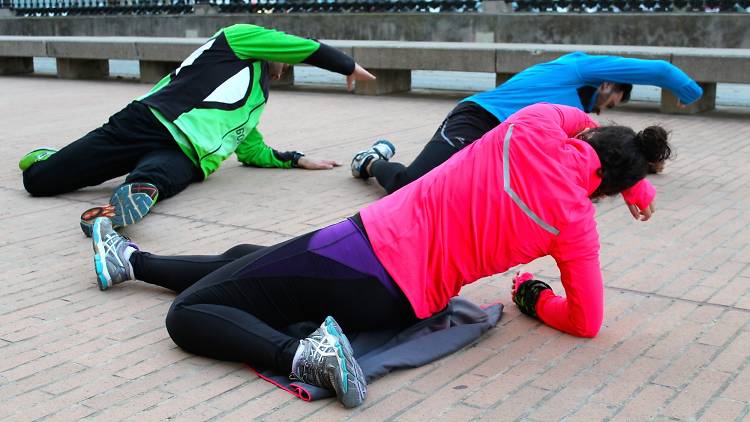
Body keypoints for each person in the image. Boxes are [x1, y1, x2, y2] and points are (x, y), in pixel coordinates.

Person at [88, 103, 672, 408]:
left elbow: (584, 123)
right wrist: (535, 295)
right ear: (609, 191)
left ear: (591, 141)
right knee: (251, 256)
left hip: (359, 249)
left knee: (189, 314)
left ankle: (302, 357)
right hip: (403, 304)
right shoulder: (576, 227)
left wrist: (629, 172)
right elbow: (588, 323)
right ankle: (130, 262)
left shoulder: (535, 126)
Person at [19, 23, 375, 237]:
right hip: (147, 121)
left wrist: (297, 159)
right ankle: (54, 159)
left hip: (186, 154)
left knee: (158, 176)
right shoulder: (237, 38)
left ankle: (128, 200)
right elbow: (303, 48)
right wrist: (346, 64)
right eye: (284, 57)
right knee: (39, 181)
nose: (286, 63)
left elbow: (251, 150)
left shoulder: (256, 102)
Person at [350, 52, 699, 196]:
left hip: (501, 149)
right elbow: (659, 70)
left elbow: (604, 160)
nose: (606, 108)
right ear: (609, 85)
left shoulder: (576, 118)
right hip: (478, 120)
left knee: (449, 197)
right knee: (411, 185)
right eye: (614, 100)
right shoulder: (575, 68)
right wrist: (687, 87)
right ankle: (371, 160)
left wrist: (642, 175)